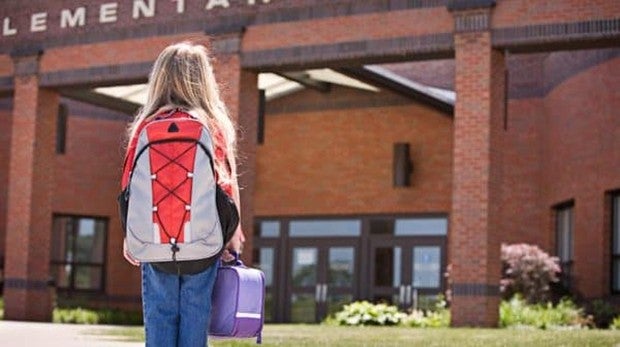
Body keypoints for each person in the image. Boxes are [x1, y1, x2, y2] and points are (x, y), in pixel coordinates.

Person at [121, 41, 245, 346]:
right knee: (195, 315)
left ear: (159, 78)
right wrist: (232, 235)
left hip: (154, 241)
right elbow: (227, 185)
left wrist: (130, 235)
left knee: (160, 316)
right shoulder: (211, 124)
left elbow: (130, 186)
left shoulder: (146, 126)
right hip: (203, 242)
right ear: (203, 80)